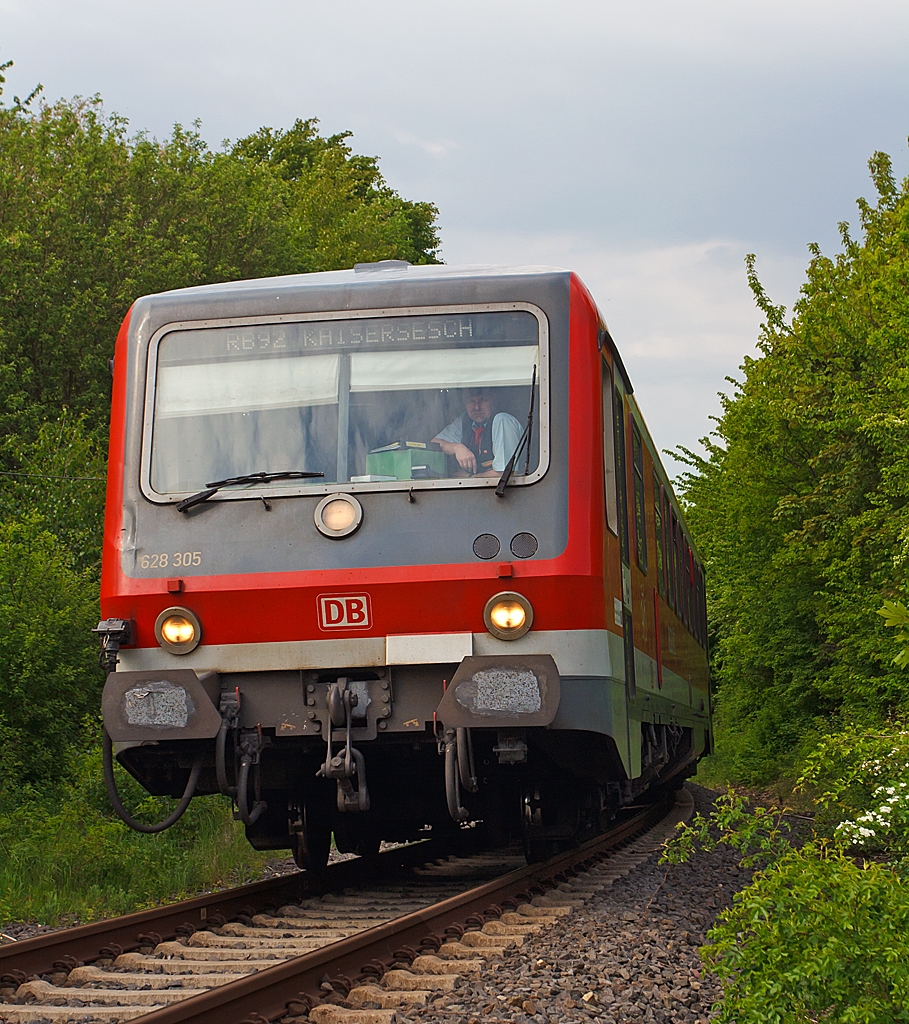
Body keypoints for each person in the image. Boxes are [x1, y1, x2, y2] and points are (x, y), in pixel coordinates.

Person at [433, 387, 522, 477]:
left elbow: (505, 474)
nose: (477, 407)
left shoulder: (502, 420)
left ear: (493, 401)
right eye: (471, 401)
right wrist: (457, 448)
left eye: (483, 400)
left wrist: (469, 478)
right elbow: (434, 444)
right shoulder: (464, 421)